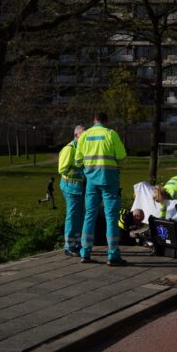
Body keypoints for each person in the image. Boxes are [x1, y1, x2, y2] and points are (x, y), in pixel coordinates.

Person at [75, 111, 128, 266]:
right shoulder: (111, 134)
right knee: (111, 217)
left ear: (94, 120)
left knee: (89, 215)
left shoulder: (84, 136)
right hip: (109, 179)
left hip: (91, 180)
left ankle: (85, 252)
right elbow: (123, 158)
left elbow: (78, 161)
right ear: (106, 121)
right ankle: (112, 255)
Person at [58, 125, 85, 256]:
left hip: (79, 188)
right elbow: (62, 169)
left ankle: (76, 243)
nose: (85, 138)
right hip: (71, 188)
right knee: (73, 216)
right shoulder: (69, 149)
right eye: (82, 135)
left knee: (79, 217)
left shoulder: (82, 147)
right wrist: (81, 173)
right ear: (76, 135)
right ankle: (69, 246)